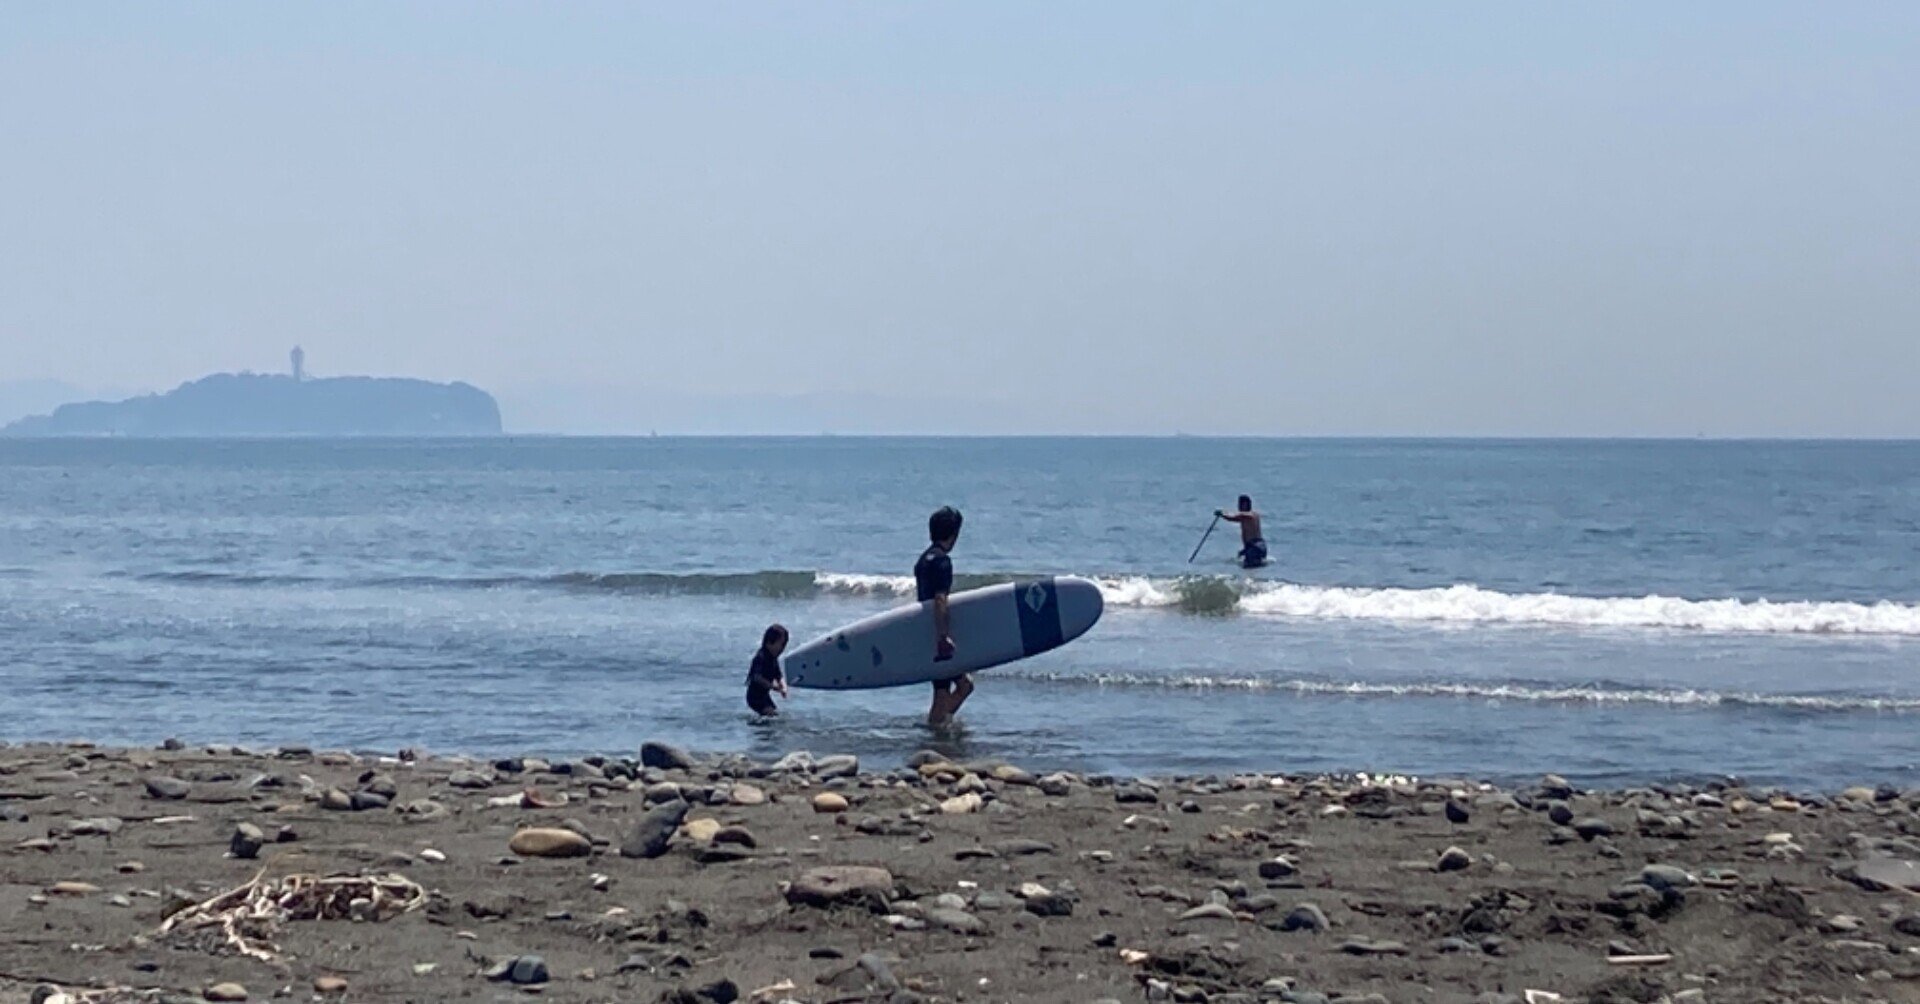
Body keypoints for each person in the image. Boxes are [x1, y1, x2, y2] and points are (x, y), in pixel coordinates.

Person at [916, 505, 973, 726]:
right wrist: (943, 637)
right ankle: (936, 728)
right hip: (936, 636)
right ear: (953, 534)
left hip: (925, 630)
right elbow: (940, 600)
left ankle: (937, 725)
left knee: (950, 687)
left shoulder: (924, 559)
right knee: (960, 686)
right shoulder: (942, 561)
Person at [745, 624, 790, 716]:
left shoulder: (773, 658)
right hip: (754, 697)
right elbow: (757, 677)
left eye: (784, 644)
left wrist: (784, 687)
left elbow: (778, 675)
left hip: (764, 696)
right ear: (769, 642)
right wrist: (773, 687)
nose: (783, 649)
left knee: (774, 714)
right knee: (770, 715)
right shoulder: (760, 657)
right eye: (781, 645)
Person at [1217, 494, 1268, 569]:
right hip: (1254, 546)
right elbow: (1232, 518)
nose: (1239, 506)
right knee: (1247, 565)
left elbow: (1235, 516)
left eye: (1241, 504)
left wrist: (1222, 513)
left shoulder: (1251, 515)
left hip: (1255, 546)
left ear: (1246, 504)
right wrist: (1223, 516)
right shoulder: (1244, 517)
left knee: (1248, 567)